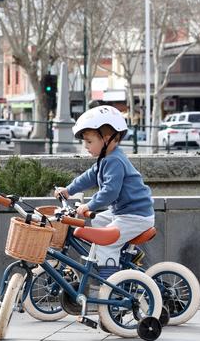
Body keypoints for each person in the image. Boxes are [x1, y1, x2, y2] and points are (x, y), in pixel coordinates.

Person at [54, 105, 154, 277]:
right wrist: (69, 190)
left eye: (89, 141)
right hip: (124, 213)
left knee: (107, 243)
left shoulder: (114, 161)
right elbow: (89, 177)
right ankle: (129, 253)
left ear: (107, 139)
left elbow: (110, 192)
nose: (86, 146)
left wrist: (89, 205)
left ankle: (110, 286)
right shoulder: (105, 159)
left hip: (136, 216)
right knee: (98, 222)